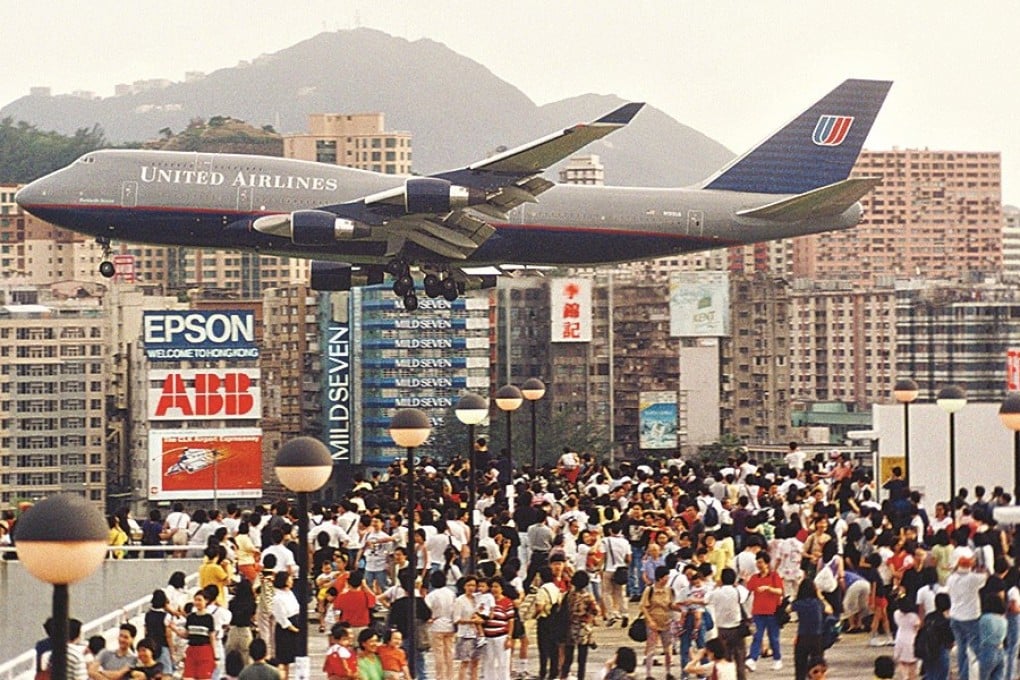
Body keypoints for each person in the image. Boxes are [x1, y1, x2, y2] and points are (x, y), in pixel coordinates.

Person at [946, 553, 988, 680]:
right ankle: (968, 675)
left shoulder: (951, 578)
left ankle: (962, 675)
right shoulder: (973, 578)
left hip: (955, 616)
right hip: (971, 617)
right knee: (974, 650)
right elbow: (986, 575)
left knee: (961, 648)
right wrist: (980, 568)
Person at [707, 568, 749, 680]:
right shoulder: (738, 591)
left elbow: (706, 598)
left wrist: (716, 586)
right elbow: (745, 595)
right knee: (740, 659)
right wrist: (739, 584)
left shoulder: (716, 592)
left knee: (725, 660)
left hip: (722, 629)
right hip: (737, 629)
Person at [746, 553, 784, 671]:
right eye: (757, 562)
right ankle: (752, 659)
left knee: (773, 637)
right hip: (758, 611)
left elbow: (780, 591)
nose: (759, 565)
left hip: (772, 611)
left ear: (767, 563)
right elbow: (747, 589)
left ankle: (777, 659)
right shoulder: (754, 577)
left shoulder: (774, 576)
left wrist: (768, 588)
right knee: (757, 636)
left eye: (761, 562)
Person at [640, 565, 676, 680]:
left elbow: (671, 605)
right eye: (666, 577)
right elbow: (643, 606)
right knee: (651, 649)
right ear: (660, 578)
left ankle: (668, 672)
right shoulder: (649, 590)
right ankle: (649, 674)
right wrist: (649, 621)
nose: (667, 580)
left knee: (668, 649)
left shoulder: (669, 590)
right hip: (653, 622)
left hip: (666, 622)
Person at [791, 580, 830, 680]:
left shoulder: (799, 603)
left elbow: (788, 609)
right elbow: (829, 610)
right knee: (817, 667)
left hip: (803, 636)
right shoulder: (818, 603)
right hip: (816, 637)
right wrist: (821, 597)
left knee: (800, 666)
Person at [424, 570, 456, 680]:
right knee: (449, 652)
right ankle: (450, 676)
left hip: (436, 625)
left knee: (439, 653)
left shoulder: (431, 595)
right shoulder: (451, 593)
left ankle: (440, 677)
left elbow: (426, 610)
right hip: (450, 624)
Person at [270, 571, 300, 680]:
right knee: (283, 660)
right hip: (286, 629)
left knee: (293, 659)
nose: (292, 581)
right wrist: (294, 629)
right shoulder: (277, 598)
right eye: (289, 579)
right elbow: (281, 618)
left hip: (296, 621)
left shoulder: (290, 593)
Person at [183, 591, 217, 680]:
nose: (197, 602)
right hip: (192, 650)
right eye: (195, 600)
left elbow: (212, 637)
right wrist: (173, 628)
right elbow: (187, 634)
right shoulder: (190, 617)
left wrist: (215, 656)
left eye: (199, 600)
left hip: (204, 651)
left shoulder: (209, 618)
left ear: (206, 601)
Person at [891, 596, 920, 680]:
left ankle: (904, 676)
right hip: (911, 639)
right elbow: (916, 628)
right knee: (912, 662)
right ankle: (911, 677)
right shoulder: (913, 616)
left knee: (901, 661)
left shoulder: (896, 613)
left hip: (900, 638)